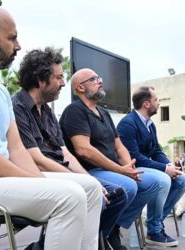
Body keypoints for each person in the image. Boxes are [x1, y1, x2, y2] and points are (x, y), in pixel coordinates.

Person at [0, 2, 102, 250]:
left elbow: (17, 150)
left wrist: (37, 180)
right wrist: (40, 184)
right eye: (12, 38)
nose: (18, 46)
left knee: (90, 188)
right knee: (69, 196)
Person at [12, 47, 128, 249]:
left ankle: (94, 242)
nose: (64, 83)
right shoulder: (18, 107)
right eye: (58, 78)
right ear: (41, 80)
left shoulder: (47, 111)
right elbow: (36, 159)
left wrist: (89, 179)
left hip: (59, 173)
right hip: (36, 174)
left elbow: (65, 153)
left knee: (116, 194)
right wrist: (82, 181)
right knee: (90, 194)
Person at [59, 68, 160, 249]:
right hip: (89, 170)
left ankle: (112, 227)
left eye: (100, 78)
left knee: (152, 183)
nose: (101, 81)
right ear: (80, 88)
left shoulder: (103, 113)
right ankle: (96, 237)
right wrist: (120, 170)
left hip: (112, 169)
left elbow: (119, 145)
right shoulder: (75, 111)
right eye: (94, 79)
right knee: (127, 186)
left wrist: (129, 166)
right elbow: (83, 150)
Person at [117, 86, 185, 246]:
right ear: (146, 104)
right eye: (156, 100)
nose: (158, 103)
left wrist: (168, 164)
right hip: (130, 169)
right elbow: (134, 157)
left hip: (146, 167)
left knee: (183, 179)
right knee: (163, 179)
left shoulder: (150, 124)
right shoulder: (128, 124)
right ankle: (154, 230)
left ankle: (154, 222)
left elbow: (156, 150)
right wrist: (165, 169)